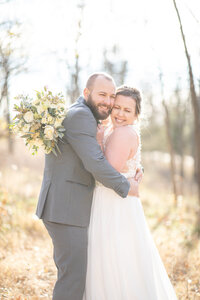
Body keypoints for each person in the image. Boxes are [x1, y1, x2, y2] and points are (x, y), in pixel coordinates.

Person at [36, 73, 143, 300]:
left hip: (69, 208)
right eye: (102, 94)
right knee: (73, 280)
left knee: (75, 278)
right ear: (86, 93)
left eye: (111, 96)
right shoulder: (81, 116)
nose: (108, 101)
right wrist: (126, 185)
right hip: (66, 210)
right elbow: (95, 163)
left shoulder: (86, 114)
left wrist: (133, 168)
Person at [83, 86, 177, 300]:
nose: (120, 114)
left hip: (114, 201)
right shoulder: (119, 130)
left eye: (127, 110)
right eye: (117, 107)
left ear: (136, 115)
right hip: (120, 199)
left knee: (113, 256)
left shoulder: (124, 132)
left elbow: (105, 172)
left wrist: (98, 140)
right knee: (125, 256)